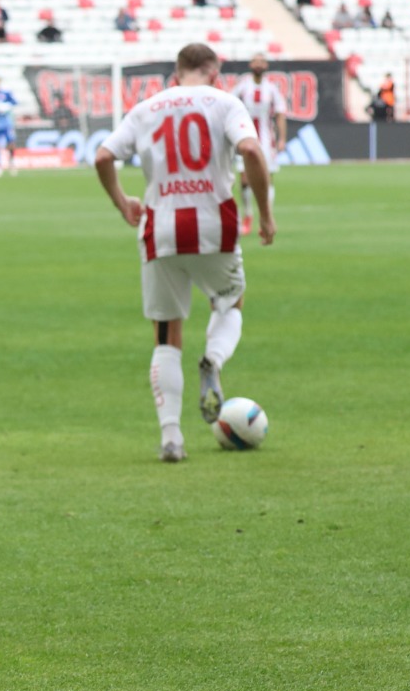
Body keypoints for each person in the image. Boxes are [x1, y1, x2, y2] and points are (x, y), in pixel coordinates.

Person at [93, 42, 275, 463]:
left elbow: (103, 156)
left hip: (160, 228)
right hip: (216, 225)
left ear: (176, 75)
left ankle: (171, 439)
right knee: (230, 303)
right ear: (215, 73)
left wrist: (124, 204)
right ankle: (212, 359)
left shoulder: (147, 107)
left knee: (166, 332)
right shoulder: (226, 102)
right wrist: (265, 214)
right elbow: (250, 151)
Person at [233, 53, 286, 237]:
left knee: (267, 178)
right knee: (245, 179)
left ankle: (267, 216)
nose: (258, 64)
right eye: (255, 61)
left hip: (266, 140)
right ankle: (247, 216)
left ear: (266, 65)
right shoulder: (242, 87)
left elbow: (280, 114)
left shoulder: (272, 89)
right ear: (250, 64)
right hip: (245, 138)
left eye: (262, 61)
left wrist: (281, 138)